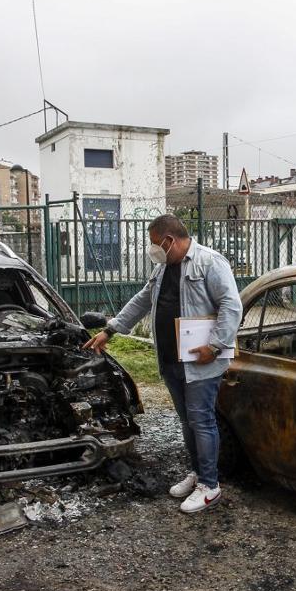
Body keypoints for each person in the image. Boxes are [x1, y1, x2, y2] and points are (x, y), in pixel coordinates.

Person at [83, 214, 241, 513]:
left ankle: (210, 485)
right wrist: (110, 329)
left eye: (156, 243)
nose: (153, 249)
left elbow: (231, 305)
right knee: (186, 421)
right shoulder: (163, 267)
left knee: (201, 420)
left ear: (170, 240)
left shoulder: (210, 262)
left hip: (200, 360)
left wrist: (215, 345)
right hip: (170, 359)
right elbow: (143, 300)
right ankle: (197, 473)